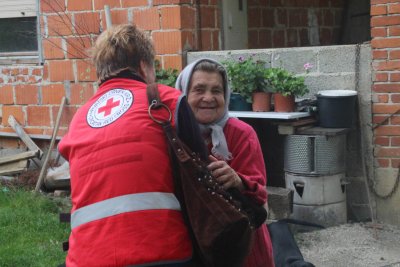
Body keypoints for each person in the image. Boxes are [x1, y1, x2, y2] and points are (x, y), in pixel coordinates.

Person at [58, 24, 201, 267]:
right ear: (144, 67)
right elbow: (201, 176)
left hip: (86, 258)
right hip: (162, 253)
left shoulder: (79, 119)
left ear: (101, 71)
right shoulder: (168, 101)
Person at [175, 58, 275, 267]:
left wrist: (237, 180)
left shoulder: (242, 134)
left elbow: (260, 195)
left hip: (242, 246)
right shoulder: (176, 138)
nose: (208, 98)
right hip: (194, 245)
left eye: (216, 90)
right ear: (184, 94)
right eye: (199, 89)